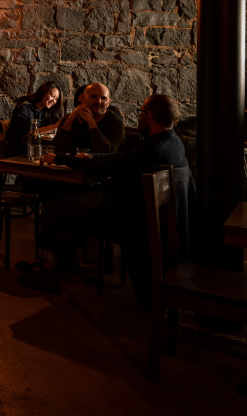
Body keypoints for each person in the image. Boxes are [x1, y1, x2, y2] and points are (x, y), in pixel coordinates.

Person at [37, 94, 188, 304]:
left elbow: (109, 166)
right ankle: (69, 261)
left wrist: (60, 159)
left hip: (126, 209)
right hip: (139, 207)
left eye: (141, 113)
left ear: (150, 117)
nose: (139, 117)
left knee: (53, 208)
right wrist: (91, 156)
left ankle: (48, 275)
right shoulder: (172, 142)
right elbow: (123, 158)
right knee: (68, 200)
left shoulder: (153, 147)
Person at [53, 82, 125, 155]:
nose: (98, 101)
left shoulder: (115, 122)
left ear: (108, 103)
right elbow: (55, 150)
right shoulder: (72, 117)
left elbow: (107, 153)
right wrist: (70, 118)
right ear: (82, 98)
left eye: (103, 98)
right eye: (93, 97)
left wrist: (90, 121)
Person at [5, 81, 64, 156]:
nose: (54, 101)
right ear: (43, 93)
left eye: (56, 99)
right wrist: (55, 126)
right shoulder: (24, 107)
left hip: (35, 150)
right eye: (52, 96)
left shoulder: (46, 112)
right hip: (18, 152)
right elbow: (30, 131)